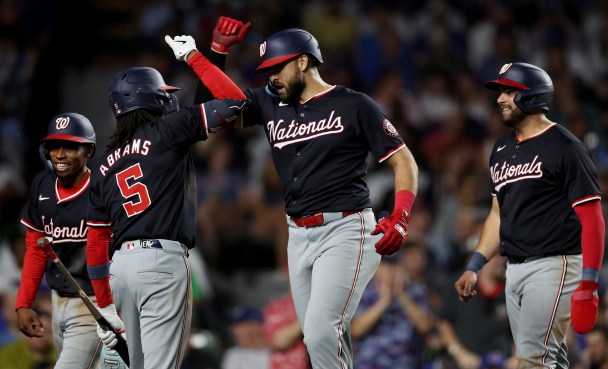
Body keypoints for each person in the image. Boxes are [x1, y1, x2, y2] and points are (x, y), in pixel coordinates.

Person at [165, 24, 419, 369]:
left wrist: (401, 214)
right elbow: (210, 111)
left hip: (345, 229)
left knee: (318, 331)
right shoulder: (270, 103)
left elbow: (403, 159)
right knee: (323, 341)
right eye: (266, 70)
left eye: (276, 67)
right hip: (297, 234)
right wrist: (215, 53)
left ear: (302, 62)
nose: (271, 77)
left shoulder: (353, 104)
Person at [84, 64, 248, 369]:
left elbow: (95, 243)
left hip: (119, 269)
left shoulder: (103, 165)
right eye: (162, 94)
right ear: (150, 98)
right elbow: (236, 101)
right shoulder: (169, 129)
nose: (167, 99)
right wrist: (198, 58)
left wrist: (104, 303)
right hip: (161, 262)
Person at [454, 62, 605, 369]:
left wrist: (589, 282)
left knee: (531, 359)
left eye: (510, 91)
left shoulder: (565, 147)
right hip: (515, 269)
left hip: (555, 266)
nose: (500, 99)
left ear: (533, 96)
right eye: (500, 92)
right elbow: (498, 215)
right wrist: (475, 265)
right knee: (550, 359)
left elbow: (593, 218)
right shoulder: (501, 148)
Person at [14, 112, 103, 368]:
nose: (60, 154)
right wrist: (23, 303)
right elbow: (35, 248)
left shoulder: (101, 188)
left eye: (70, 147)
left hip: (93, 302)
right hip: (58, 300)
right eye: (54, 146)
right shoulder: (42, 185)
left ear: (88, 151)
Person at [350, 247, 434, 369]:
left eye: (394, 266)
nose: (390, 271)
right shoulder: (363, 293)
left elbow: (425, 325)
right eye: (385, 266)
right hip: (369, 364)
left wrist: (402, 296)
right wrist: (384, 302)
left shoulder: (416, 292)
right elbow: (356, 330)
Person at [220, 305, 269, 369]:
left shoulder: (277, 350)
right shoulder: (233, 355)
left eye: (240, 326)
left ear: (256, 326)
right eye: (234, 327)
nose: (235, 331)